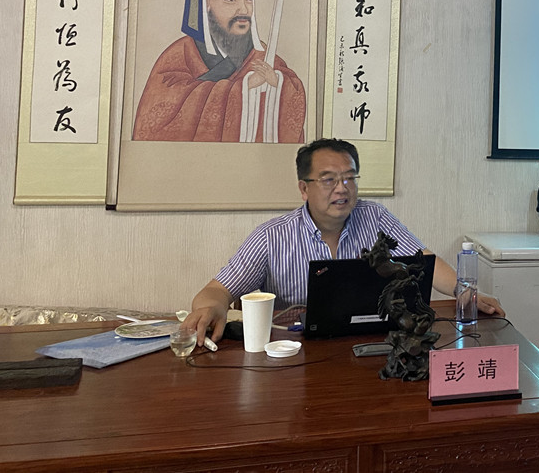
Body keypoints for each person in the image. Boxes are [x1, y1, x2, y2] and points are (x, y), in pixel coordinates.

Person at [185, 138, 505, 342]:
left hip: (368, 345)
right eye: (329, 180)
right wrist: (213, 307)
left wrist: (464, 291)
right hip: (296, 353)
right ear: (304, 188)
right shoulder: (271, 236)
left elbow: (423, 262)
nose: (342, 188)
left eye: (350, 178)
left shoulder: (374, 217)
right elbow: (216, 291)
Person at [133, 0, 306, 143]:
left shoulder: (261, 54)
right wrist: (244, 88)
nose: (243, 9)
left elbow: (292, 96)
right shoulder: (181, 53)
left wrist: (276, 82)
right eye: (230, 0)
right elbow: (156, 119)